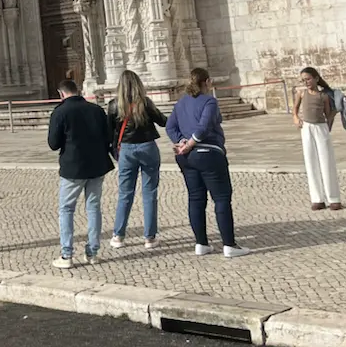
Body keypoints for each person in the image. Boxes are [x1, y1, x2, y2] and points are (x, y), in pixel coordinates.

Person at [166, 68, 251, 257]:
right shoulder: (209, 101)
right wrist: (189, 143)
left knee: (196, 198)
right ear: (207, 82)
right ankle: (229, 244)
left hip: (186, 158)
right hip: (208, 153)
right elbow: (203, 127)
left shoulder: (180, 103)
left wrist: (180, 141)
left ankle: (201, 243)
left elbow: (170, 126)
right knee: (221, 198)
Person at [46, 79, 114, 268]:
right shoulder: (96, 110)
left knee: (67, 209)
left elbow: (53, 144)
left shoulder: (60, 112)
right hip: (97, 165)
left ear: (61, 93)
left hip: (73, 168)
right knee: (93, 208)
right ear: (78, 91)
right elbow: (108, 136)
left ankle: (67, 255)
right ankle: (92, 252)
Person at [107, 70, 167, 249]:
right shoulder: (145, 103)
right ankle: (150, 237)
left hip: (126, 149)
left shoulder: (113, 105)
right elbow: (163, 121)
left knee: (125, 193)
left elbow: (109, 133)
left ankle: (118, 236)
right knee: (150, 193)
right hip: (147, 147)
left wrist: (114, 153)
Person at [293, 66, 342, 211]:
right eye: (303, 80)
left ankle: (333, 198)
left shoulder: (324, 96)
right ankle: (317, 198)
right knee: (310, 161)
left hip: (321, 127)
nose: (306, 82)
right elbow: (295, 109)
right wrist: (295, 118)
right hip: (307, 128)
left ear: (316, 78)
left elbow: (328, 115)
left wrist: (339, 107)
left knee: (326, 161)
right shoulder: (301, 93)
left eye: (308, 79)